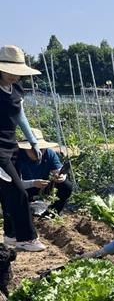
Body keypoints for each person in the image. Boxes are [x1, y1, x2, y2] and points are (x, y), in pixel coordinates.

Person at [0, 45, 46, 252]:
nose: (14, 76)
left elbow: (20, 117)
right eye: (10, 71)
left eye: (17, 72)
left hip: (12, 146)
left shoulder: (16, 90)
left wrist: (33, 142)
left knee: (7, 194)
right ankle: (27, 238)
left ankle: (11, 235)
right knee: (19, 192)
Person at [15, 128, 73, 216]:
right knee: (14, 193)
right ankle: (20, 213)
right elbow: (15, 183)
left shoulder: (49, 153)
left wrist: (61, 176)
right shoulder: (17, 157)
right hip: (23, 188)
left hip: (43, 185)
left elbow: (58, 170)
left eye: (41, 149)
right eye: (33, 149)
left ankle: (52, 213)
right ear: (25, 148)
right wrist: (33, 183)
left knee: (66, 186)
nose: (38, 152)